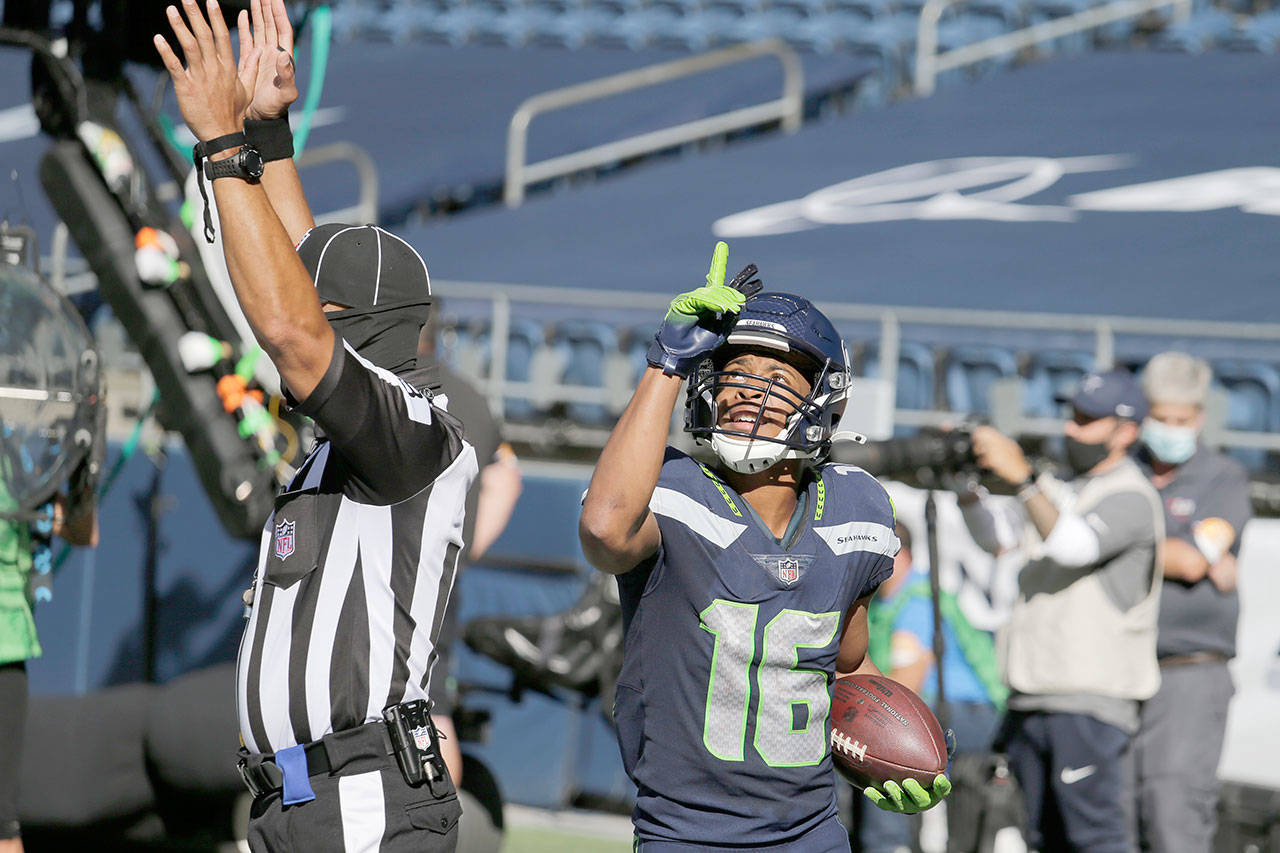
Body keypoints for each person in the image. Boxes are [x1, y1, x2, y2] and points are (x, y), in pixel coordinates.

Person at [155, 2, 475, 850]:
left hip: (362, 798)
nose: (293, 310)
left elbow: (299, 329)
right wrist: (270, 131)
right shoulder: (358, 428)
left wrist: (223, 148)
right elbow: (309, 276)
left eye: (327, 313)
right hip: (295, 800)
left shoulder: (415, 434)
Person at [578, 243, 950, 851]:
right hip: (686, 833)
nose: (752, 391)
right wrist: (666, 362)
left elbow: (850, 666)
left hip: (810, 834)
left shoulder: (856, 506)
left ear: (825, 399)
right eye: (736, 375)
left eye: (778, 379)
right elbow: (604, 529)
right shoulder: (672, 490)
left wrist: (910, 743)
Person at [959, 369, 1164, 853]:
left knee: (1096, 838)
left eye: (1088, 420)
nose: (1072, 428)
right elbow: (998, 540)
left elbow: (1074, 545)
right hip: (1031, 696)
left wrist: (1024, 479)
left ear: (1126, 431)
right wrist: (966, 488)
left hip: (1088, 702)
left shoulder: (1132, 494)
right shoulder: (1059, 485)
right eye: (1072, 416)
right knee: (1041, 839)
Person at [1132, 352, 1252, 853]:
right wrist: (1177, 548)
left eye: (1181, 420)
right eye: (1161, 417)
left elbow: (1196, 560)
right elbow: (1186, 556)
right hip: (1116, 666)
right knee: (1114, 815)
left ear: (1199, 418)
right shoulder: (1125, 468)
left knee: (1172, 810)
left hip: (1188, 669)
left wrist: (1110, 545)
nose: (1170, 429)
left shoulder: (1222, 477)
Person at [419, 314, 524, 787]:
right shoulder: (470, 396)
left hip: (384, 576)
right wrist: (467, 546)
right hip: (438, 574)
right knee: (429, 708)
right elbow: (508, 474)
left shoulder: (376, 383)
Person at [860, 522, 1005, 853]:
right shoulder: (888, 600)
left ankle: (891, 845)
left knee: (880, 751)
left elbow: (905, 683)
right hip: (938, 709)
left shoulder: (917, 600)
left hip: (966, 712)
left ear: (897, 554)